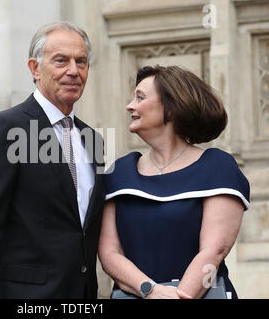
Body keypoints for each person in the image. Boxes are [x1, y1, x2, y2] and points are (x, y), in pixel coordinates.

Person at [0, 22, 105, 298]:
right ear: (35, 68)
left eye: (81, 61)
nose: (73, 71)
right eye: (61, 60)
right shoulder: (5, 128)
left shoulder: (92, 139)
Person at [98, 65, 250, 299]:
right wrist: (150, 291)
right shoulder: (120, 173)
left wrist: (178, 297)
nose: (130, 106)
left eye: (140, 97)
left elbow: (213, 252)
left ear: (172, 106)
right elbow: (109, 253)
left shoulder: (217, 168)